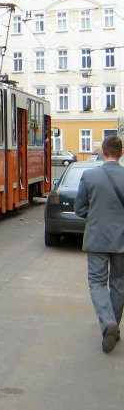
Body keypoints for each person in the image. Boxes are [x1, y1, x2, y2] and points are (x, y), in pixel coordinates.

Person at [75, 135, 124, 353]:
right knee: (119, 283)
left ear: (102, 152)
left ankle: (108, 323)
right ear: (121, 154)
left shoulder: (90, 175)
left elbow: (80, 209)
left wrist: (96, 216)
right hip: (122, 239)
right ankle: (113, 326)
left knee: (96, 282)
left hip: (97, 237)